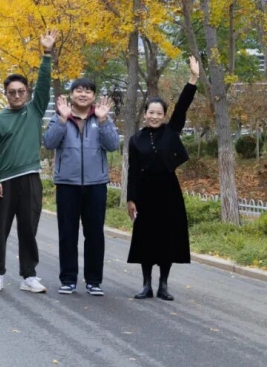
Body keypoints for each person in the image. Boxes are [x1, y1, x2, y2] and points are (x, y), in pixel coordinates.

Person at [0, 31, 55, 294]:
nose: (16, 95)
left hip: (31, 179)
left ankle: (29, 276)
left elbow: (44, 85)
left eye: (21, 91)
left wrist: (46, 54)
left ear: (27, 93)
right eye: (12, 92)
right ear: (6, 94)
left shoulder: (34, 111)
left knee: (28, 229)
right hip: (5, 182)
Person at [127, 56, 200, 301]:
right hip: (145, 193)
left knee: (167, 239)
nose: (155, 116)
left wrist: (193, 78)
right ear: (145, 114)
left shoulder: (171, 131)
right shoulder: (135, 139)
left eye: (159, 113)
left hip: (168, 191)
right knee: (145, 239)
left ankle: (163, 285)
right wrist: (131, 199)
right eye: (151, 112)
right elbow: (132, 171)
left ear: (164, 115)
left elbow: (183, 106)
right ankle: (146, 284)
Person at [43, 80, 118, 296]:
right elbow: (49, 143)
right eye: (79, 90)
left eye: (88, 91)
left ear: (93, 96)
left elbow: (113, 145)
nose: (83, 94)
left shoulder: (101, 117)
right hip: (67, 184)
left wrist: (103, 120)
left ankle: (94, 281)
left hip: (96, 185)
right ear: (72, 94)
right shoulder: (60, 116)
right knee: (67, 233)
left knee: (94, 234)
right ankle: (68, 280)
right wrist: (62, 119)